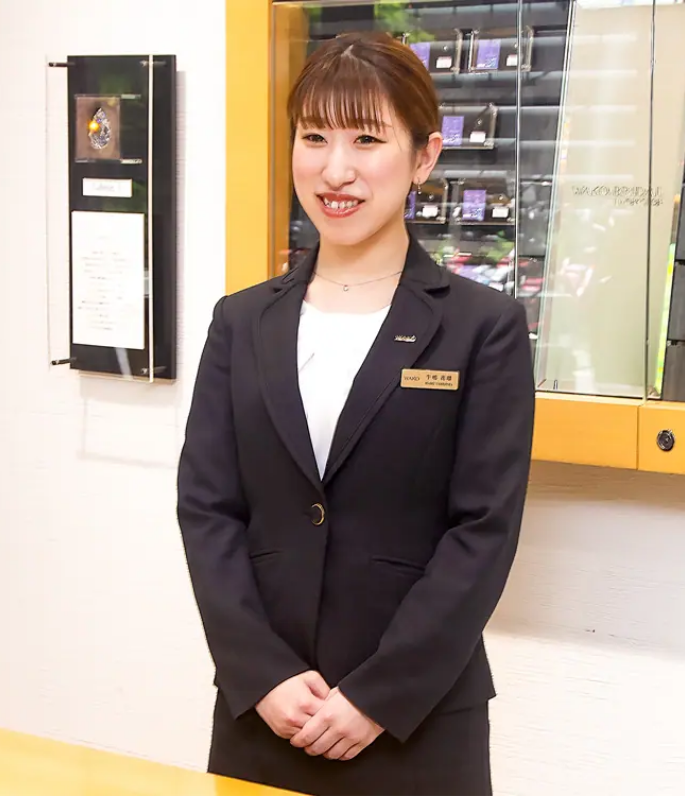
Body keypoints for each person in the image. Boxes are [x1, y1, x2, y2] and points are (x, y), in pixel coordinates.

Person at [176, 30, 535, 796]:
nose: (335, 169)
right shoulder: (242, 321)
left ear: (424, 156)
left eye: (366, 140)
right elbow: (207, 509)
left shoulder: (483, 328)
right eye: (314, 137)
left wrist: (379, 695)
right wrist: (262, 674)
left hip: (416, 723)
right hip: (266, 716)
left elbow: (484, 530)